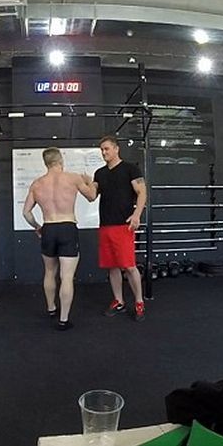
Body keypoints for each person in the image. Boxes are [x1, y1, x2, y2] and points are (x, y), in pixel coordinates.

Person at [22, 148, 96, 330]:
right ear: (60, 160)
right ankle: (63, 320)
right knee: (67, 276)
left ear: (45, 163)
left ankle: (51, 308)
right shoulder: (73, 178)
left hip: (48, 228)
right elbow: (92, 196)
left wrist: (37, 227)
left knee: (49, 272)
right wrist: (90, 182)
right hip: (67, 228)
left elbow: (26, 213)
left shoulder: (37, 184)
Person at [82, 135, 148, 321]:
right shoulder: (100, 173)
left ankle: (139, 301)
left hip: (123, 225)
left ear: (116, 149)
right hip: (106, 226)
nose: (103, 152)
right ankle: (119, 301)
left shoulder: (130, 169)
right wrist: (86, 183)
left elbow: (142, 192)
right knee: (112, 266)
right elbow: (91, 196)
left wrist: (136, 215)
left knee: (129, 266)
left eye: (106, 149)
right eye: (101, 150)